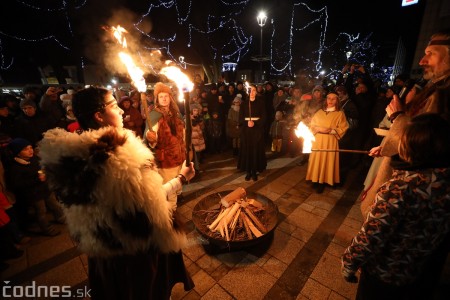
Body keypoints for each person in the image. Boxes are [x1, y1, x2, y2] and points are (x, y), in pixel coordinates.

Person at [38, 86, 195, 300]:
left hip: (101, 248)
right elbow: (150, 203)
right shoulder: (117, 159)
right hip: (133, 250)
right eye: (113, 105)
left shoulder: (71, 154)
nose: (121, 110)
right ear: (98, 115)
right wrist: (181, 179)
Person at [341, 113, 450, 300]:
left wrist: (349, 263)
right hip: (415, 270)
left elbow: (371, 234)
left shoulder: (400, 188)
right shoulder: (444, 181)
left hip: (384, 273)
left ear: (412, 146)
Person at [361, 28, 450, 217]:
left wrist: (397, 116)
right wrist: (387, 146)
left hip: (412, 191)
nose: (422, 61)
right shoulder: (436, 88)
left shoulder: (445, 95)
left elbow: (425, 144)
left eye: (430, 55)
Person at [145, 82, 187, 204]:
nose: (164, 99)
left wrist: (186, 146)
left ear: (170, 97)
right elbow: (151, 134)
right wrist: (151, 137)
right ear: (157, 99)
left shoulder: (175, 113)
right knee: (170, 188)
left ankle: (175, 204)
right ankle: (171, 215)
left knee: (179, 183)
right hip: (166, 160)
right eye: (161, 96)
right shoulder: (155, 115)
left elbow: (182, 133)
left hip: (179, 156)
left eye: (166, 96)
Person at [305, 91, 349, 193]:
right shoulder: (319, 112)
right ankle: (315, 179)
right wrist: (317, 129)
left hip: (330, 140)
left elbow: (343, 128)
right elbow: (312, 125)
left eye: (333, 99)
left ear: (337, 101)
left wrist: (330, 130)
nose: (330, 101)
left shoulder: (339, 114)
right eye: (329, 98)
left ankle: (323, 182)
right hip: (318, 140)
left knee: (326, 160)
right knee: (317, 160)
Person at [237, 84, 267, 181]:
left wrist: (255, 123)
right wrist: (247, 123)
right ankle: (248, 171)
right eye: (250, 90)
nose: (252, 92)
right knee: (247, 150)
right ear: (248, 92)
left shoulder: (261, 103)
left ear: (256, 92)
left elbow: (264, 117)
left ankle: (254, 171)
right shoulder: (244, 104)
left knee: (255, 150)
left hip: (256, 130)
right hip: (246, 130)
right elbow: (240, 118)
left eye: (254, 90)